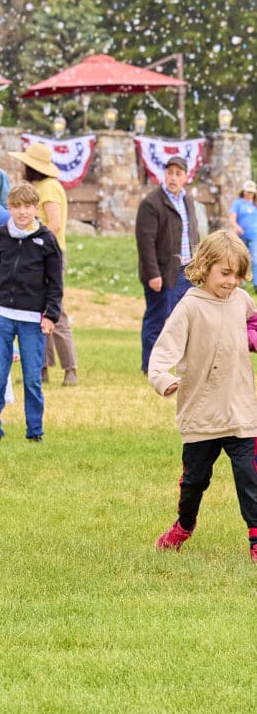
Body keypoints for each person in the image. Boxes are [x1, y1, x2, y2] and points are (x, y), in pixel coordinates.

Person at [148, 231, 257, 563]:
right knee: (195, 480)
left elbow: (253, 320)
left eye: (238, 275)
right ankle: (183, 525)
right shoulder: (190, 306)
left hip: (241, 410)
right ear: (206, 267)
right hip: (201, 414)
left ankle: (256, 540)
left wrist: (251, 335)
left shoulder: (241, 300)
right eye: (225, 273)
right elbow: (163, 350)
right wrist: (163, 379)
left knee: (250, 478)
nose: (232, 282)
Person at [0, 183, 63, 442]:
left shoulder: (47, 240)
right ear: (9, 208)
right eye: (16, 207)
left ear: (35, 208)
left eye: (27, 207)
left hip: (33, 319)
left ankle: (35, 432)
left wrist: (51, 314)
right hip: (2, 315)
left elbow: (55, 282)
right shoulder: (1, 235)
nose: (22, 212)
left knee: (32, 378)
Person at [10, 141, 79, 387]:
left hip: (48, 254)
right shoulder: (41, 186)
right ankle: (41, 367)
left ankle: (70, 368)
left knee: (55, 311)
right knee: (38, 311)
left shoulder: (48, 187)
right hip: (38, 254)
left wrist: (31, 241)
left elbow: (55, 223)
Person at [135, 154, 200, 374]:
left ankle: (184, 363)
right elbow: (145, 242)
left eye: (178, 174)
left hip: (187, 271)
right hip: (162, 272)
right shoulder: (151, 203)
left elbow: (193, 233)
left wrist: (199, 264)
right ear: (164, 174)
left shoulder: (187, 200)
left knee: (185, 318)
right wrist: (153, 274)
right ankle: (151, 366)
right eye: (170, 173)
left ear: (186, 177)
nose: (173, 178)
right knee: (157, 319)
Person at [228, 179, 257, 284]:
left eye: (251, 192)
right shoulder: (238, 203)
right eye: (248, 192)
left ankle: (255, 283)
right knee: (241, 259)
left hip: (254, 236)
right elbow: (232, 218)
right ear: (244, 191)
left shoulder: (255, 204)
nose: (249, 194)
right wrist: (237, 226)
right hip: (241, 236)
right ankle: (240, 282)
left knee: (255, 259)